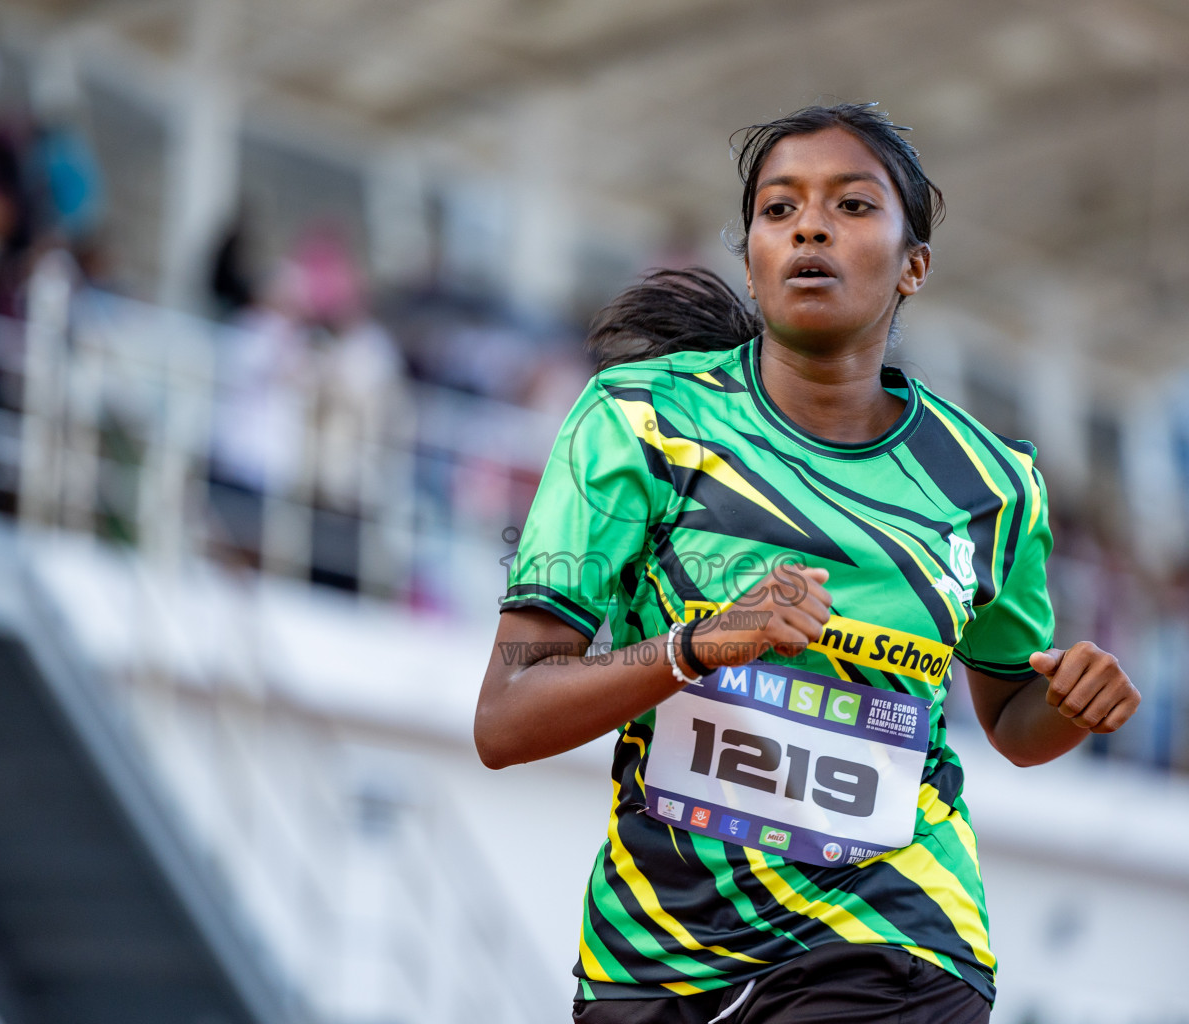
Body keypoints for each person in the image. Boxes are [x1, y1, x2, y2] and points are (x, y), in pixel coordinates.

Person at [474, 104, 1138, 1024]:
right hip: (657, 957)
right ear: (750, 253)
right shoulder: (635, 422)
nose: (810, 227)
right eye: (779, 210)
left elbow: (1013, 723)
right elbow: (506, 717)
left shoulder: (993, 483)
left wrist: (1069, 704)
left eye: (853, 206)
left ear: (915, 266)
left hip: (894, 937)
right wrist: (696, 647)